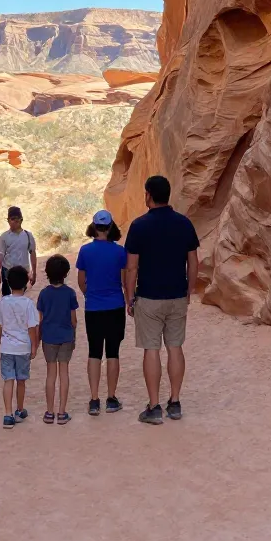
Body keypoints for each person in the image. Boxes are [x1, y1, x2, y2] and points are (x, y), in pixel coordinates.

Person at [124, 176, 199, 425]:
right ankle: (175, 402)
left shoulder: (139, 226)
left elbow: (132, 267)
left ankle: (154, 406)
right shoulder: (184, 223)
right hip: (177, 295)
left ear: (148, 195)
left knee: (151, 349)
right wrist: (189, 289)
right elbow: (193, 260)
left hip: (149, 296)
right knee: (175, 347)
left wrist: (129, 296)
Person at [75, 210, 128, 415]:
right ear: (111, 226)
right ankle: (112, 398)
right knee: (113, 352)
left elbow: (81, 281)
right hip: (115, 305)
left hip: (94, 307)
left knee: (94, 352)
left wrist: (91, 294)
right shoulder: (119, 252)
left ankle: (94, 399)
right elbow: (123, 280)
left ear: (94, 226)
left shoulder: (85, 251)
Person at [0, 265, 40, 429]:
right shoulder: (28, 304)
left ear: (8, 281)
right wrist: (34, 346)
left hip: (7, 347)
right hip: (23, 348)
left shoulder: (3, 302)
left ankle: (7, 414)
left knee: (8, 380)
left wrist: (0, 341)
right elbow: (32, 328)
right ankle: (20, 410)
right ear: (26, 283)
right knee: (21, 380)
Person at [36, 255, 79, 425]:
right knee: (64, 373)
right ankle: (62, 412)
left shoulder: (44, 294)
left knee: (50, 374)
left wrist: (38, 340)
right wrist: (73, 332)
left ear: (47, 273)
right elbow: (73, 319)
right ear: (66, 273)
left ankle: (49, 411)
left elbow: (40, 320)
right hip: (66, 336)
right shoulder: (69, 293)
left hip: (49, 337)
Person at [0, 205, 37, 297]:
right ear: (8, 220)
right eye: (12, 219)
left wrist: (33, 273)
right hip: (8, 271)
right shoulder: (4, 237)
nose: (15, 221)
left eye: (18, 219)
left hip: (23, 272)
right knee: (7, 298)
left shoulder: (28, 235)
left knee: (21, 297)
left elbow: (32, 253)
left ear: (21, 220)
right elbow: (0, 255)